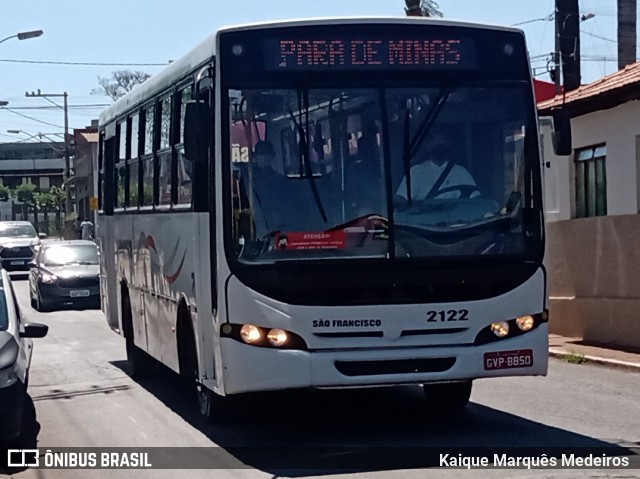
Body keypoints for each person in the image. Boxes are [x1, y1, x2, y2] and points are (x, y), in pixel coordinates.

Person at [395, 132, 479, 206]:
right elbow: (401, 199)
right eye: (437, 145)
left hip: (458, 221)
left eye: (444, 145)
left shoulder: (461, 172)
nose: (441, 149)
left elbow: (476, 199)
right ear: (428, 148)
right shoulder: (416, 171)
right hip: (424, 221)